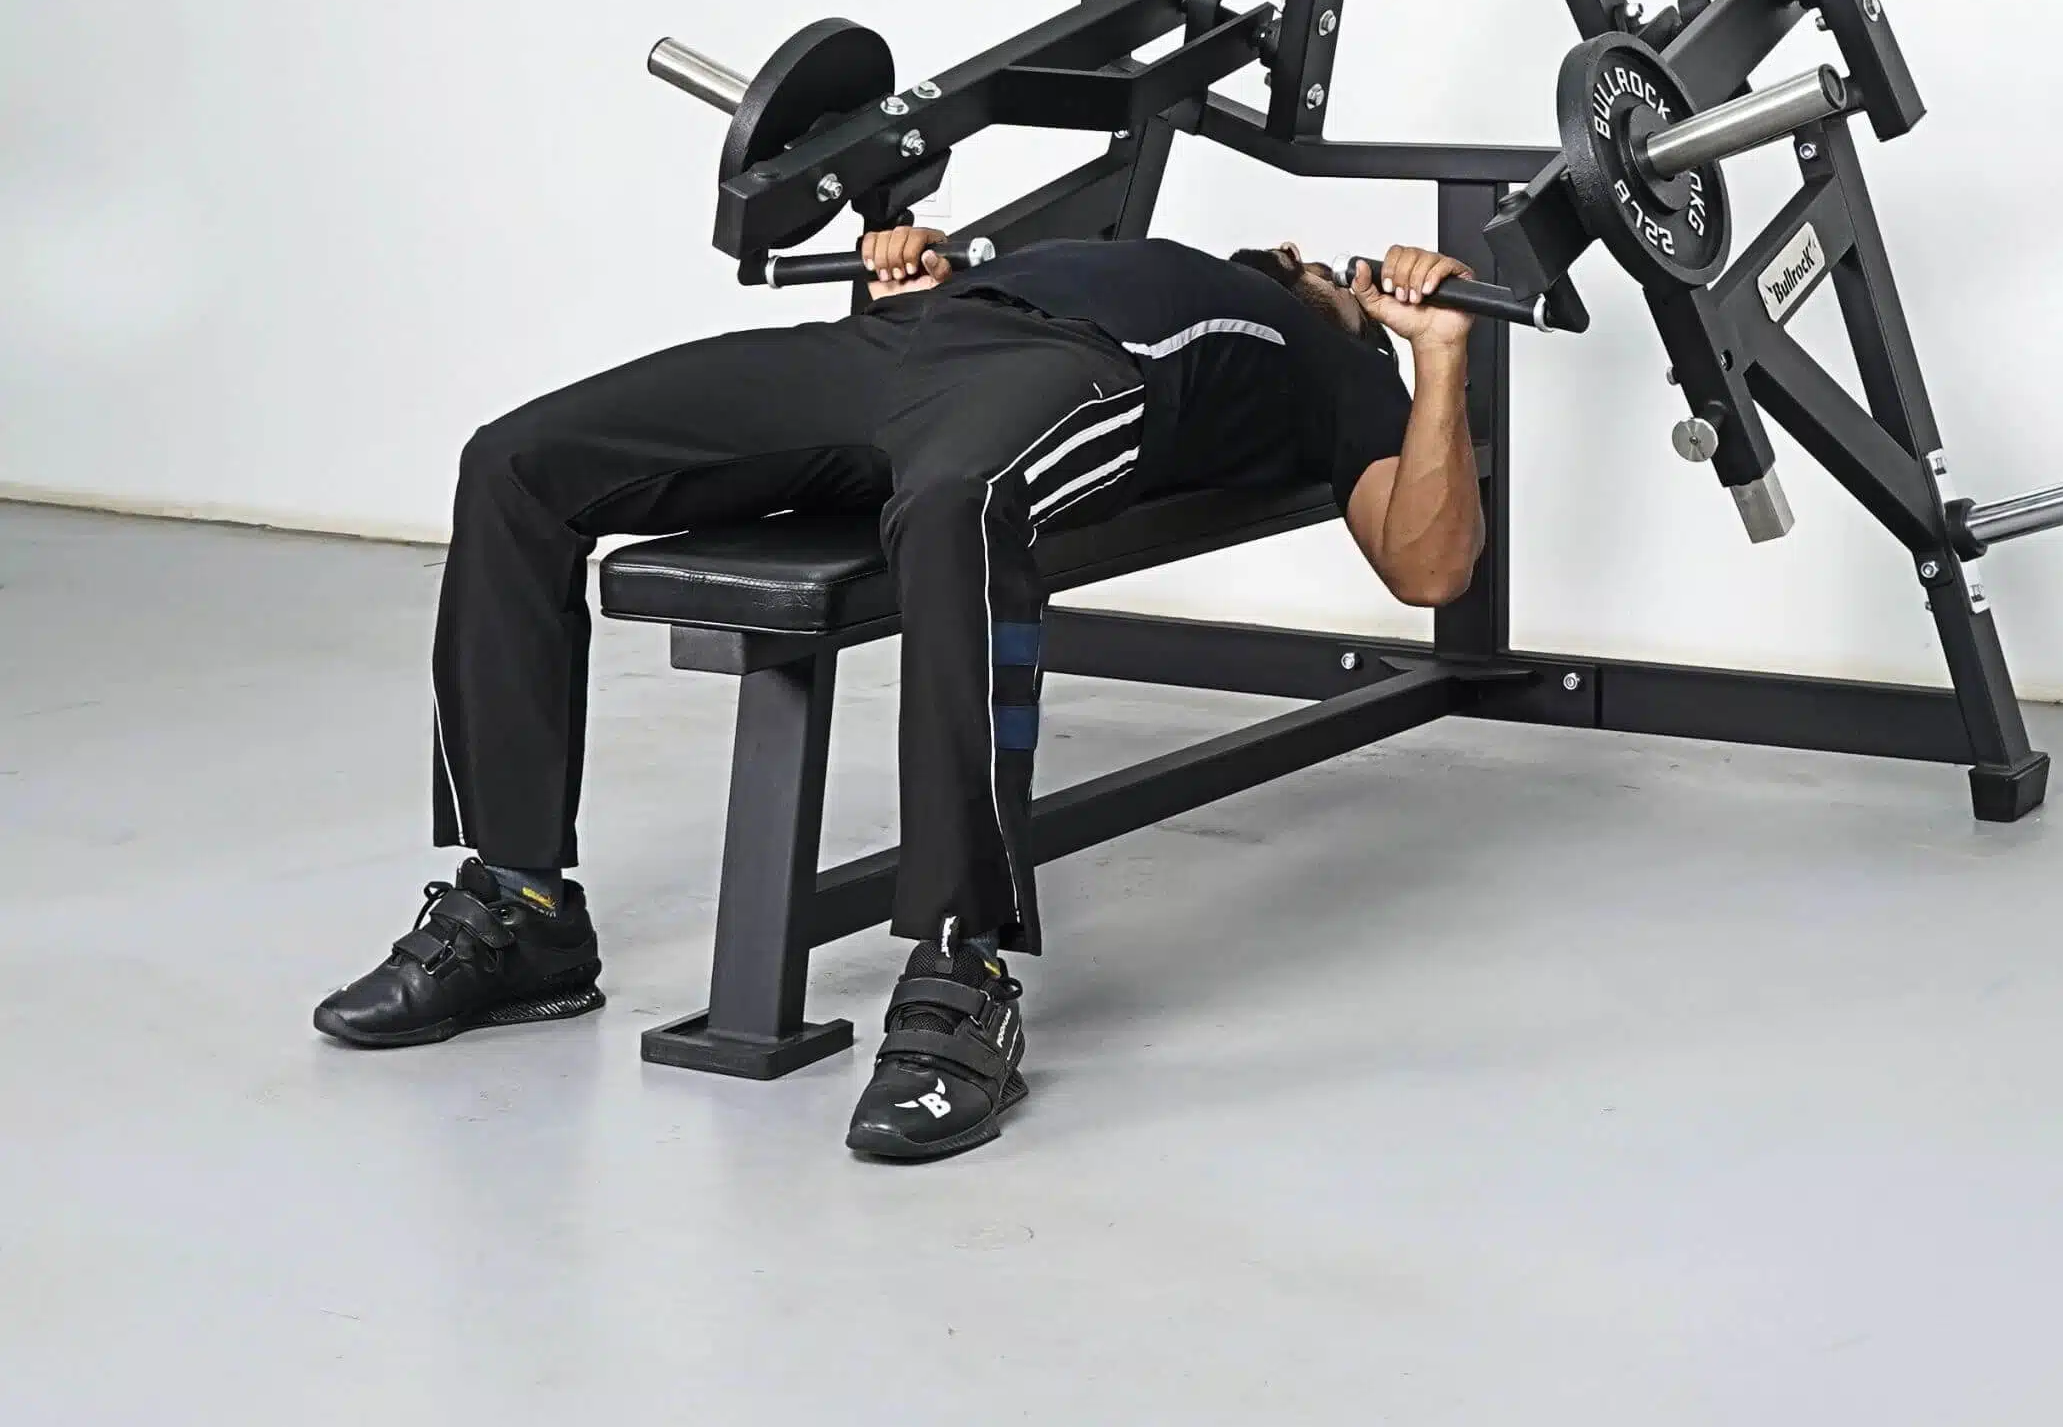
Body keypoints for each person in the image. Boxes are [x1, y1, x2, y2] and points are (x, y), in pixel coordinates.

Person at [312, 228, 1482, 1159]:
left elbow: (1427, 565)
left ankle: (960, 975)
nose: (1318, 262)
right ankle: (520, 907)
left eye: (1338, 272)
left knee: (956, 508)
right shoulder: (1118, 250)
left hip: (1075, 371)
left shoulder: (1332, 359)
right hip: (894, 347)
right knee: (513, 462)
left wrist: (1434, 354)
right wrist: (914, 266)